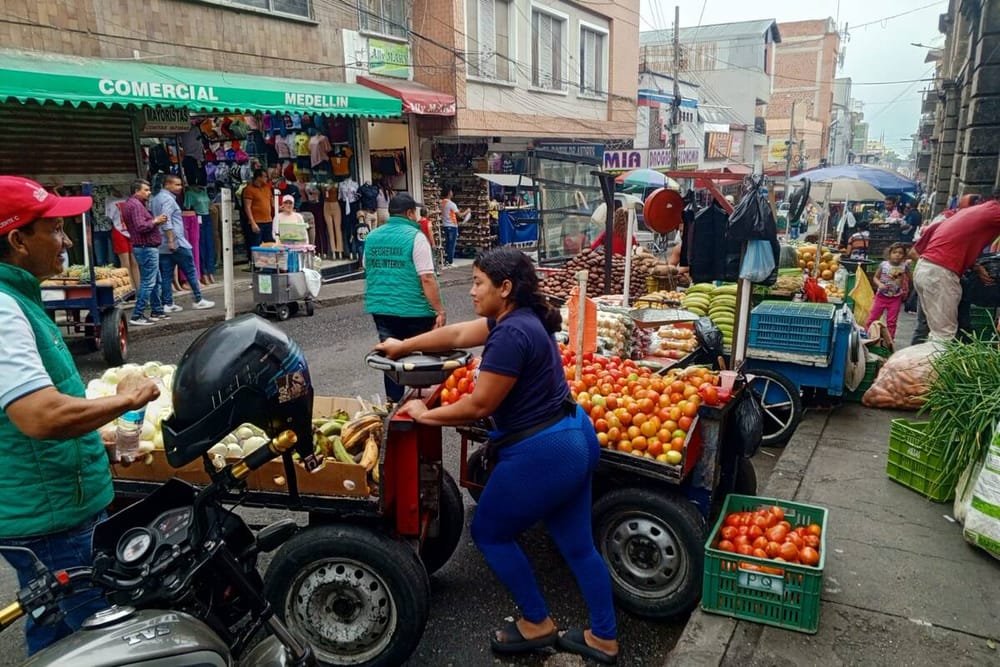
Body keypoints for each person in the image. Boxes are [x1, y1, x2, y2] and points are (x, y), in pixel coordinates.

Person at [374, 247, 619, 664]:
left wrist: (424, 414)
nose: (471, 291)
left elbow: (479, 405)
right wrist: (403, 346)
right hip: (574, 433)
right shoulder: (519, 318)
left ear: (505, 288)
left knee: (489, 532)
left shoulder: (510, 335)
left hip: (544, 450)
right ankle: (604, 637)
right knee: (577, 545)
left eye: (477, 283)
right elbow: (456, 336)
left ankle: (537, 622)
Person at [0, 176, 161, 654]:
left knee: (54, 634)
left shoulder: (20, 300)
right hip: (52, 521)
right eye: (54, 229)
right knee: (97, 641)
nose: (67, 241)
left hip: (51, 506)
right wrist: (126, 400)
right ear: (18, 240)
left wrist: (97, 441)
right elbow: (38, 415)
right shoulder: (4, 310)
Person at [364, 193, 446, 402]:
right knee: (427, 357)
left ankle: (393, 403)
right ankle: (426, 403)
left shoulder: (372, 236)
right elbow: (427, 278)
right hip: (416, 310)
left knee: (391, 356)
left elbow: (367, 266)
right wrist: (439, 310)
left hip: (382, 309)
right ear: (410, 213)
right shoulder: (416, 237)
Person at [912, 194, 1000, 341]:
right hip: (940, 273)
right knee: (943, 335)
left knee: (935, 330)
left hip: (929, 268)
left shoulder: (980, 210)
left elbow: (958, 243)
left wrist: (976, 266)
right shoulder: (995, 212)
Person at [153, 175, 214, 313]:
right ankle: (198, 299)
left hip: (162, 242)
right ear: (167, 185)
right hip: (176, 241)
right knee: (191, 270)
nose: (180, 187)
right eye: (177, 185)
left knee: (167, 274)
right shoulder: (168, 199)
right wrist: (171, 240)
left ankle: (168, 303)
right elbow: (166, 220)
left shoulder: (156, 198)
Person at [121, 179, 169, 326]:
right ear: (137, 191)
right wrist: (155, 221)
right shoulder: (135, 205)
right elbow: (140, 226)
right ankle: (137, 315)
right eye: (146, 190)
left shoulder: (133, 204)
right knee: (148, 282)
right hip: (145, 247)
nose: (149, 193)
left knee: (156, 280)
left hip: (145, 247)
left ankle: (157, 310)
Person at [864, 243, 910, 338]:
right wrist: (879, 284)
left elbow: (910, 277)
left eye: (900, 253)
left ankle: (889, 339)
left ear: (904, 255)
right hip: (881, 296)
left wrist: (904, 284)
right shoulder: (883, 265)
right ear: (889, 254)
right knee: (873, 317)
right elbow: (875, 278)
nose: (897, 255)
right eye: (894, 252)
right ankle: (866, 335)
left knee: (892, 321)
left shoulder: (904, 266)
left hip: (895, 298)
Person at [243, 168, 274, 250]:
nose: (266, 178)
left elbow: (272, 203)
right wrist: (252, 222)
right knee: (256, 245)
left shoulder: (267, 188)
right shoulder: (249, 189)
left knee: (270, 244)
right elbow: (247, 207)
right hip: (257, 221)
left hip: (268, 221)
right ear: (259, 177)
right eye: (265, 177)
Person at [440, 185, 470, 267]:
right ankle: (450, 261)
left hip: (445, 225)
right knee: (452, 244)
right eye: (451, 191)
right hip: (452, 226)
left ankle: (446, 260)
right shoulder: (451, 204)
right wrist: (467, 211)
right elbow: (459, 215)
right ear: (449, 193)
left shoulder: (442, 203)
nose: (452, 193)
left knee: (447, 244)